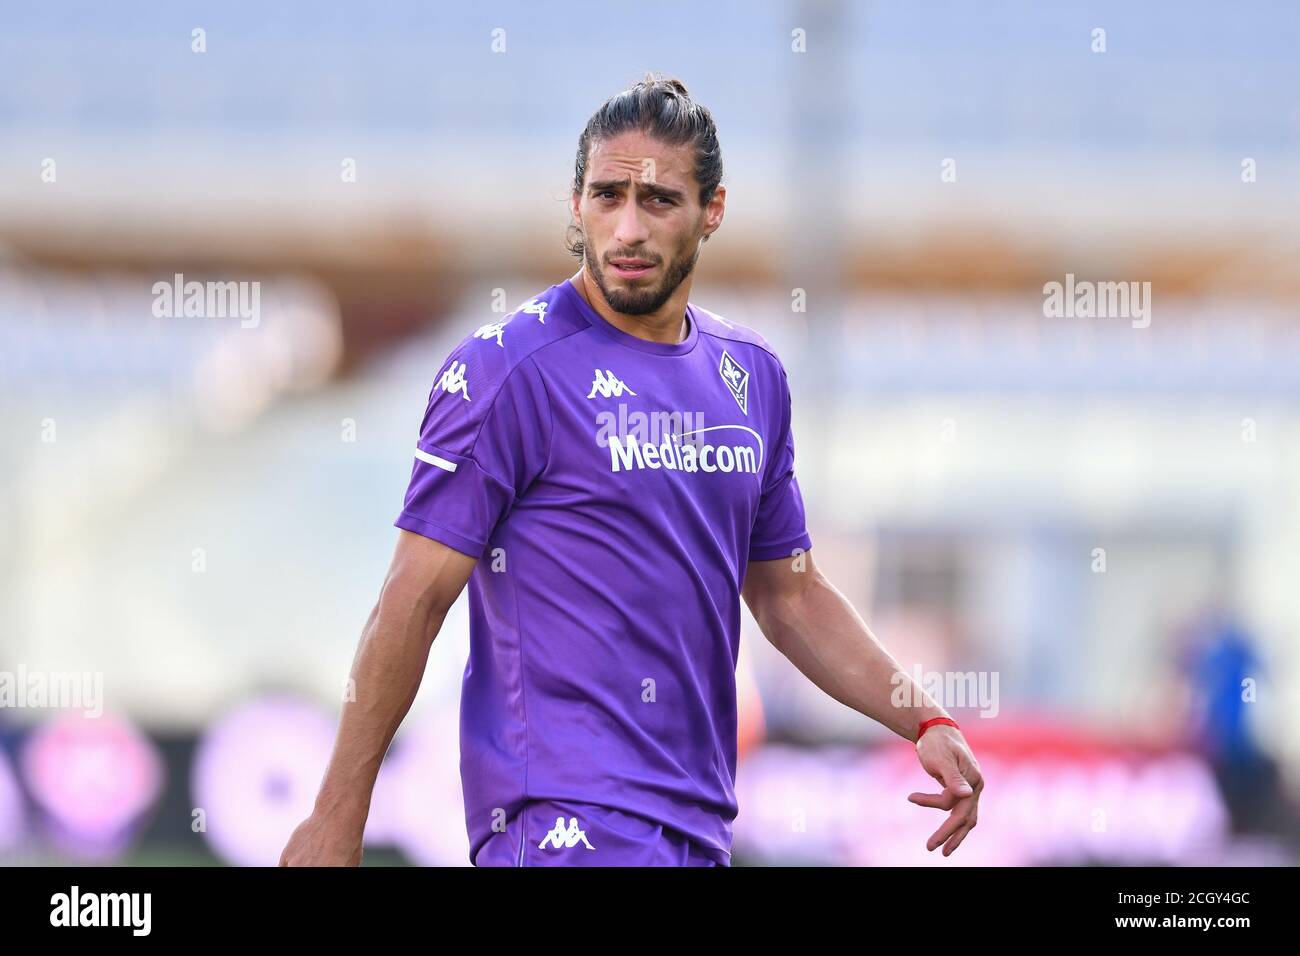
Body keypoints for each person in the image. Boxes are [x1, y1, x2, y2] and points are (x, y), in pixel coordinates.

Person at [280, 74, 982, 867]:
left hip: (697, 827)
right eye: (606, 196)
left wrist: (924, 718)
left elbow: (789, 594)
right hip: (559, 824)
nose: (627, 229)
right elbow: (411, 599)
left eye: (658, 202)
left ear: (712, 210)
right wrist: (337, 816)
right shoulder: (509, 371)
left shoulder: (750, 379)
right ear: (576, 204)